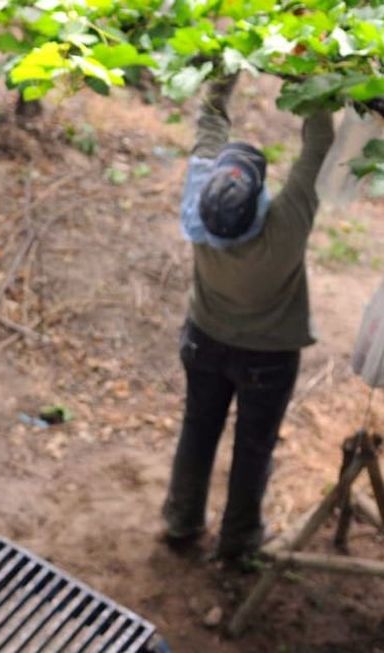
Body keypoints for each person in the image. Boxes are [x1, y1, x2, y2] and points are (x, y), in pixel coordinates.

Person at [162, 74, 335, 565]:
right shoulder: (285, 227)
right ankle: (238, 542)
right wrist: (309, 76)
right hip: (269, 357)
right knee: (253, 449)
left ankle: (181, 521)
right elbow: (319, 145)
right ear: (260, 203)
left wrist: (222, 73)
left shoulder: (200, 215)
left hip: (204, 341)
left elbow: (207, 134)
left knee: (198, 430)